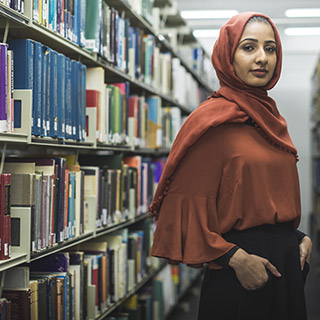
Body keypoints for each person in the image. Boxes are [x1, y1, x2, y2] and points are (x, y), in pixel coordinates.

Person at [149, 12, 313, 320]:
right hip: (241, 268)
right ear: (228, 55)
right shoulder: (212, 121)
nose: (262, 58)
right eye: (249, 47)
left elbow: (257, 195)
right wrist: (234, 259)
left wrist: (299, 238)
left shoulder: (271, 118)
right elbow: (187, 210)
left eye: (270, 48)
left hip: (286, 260)